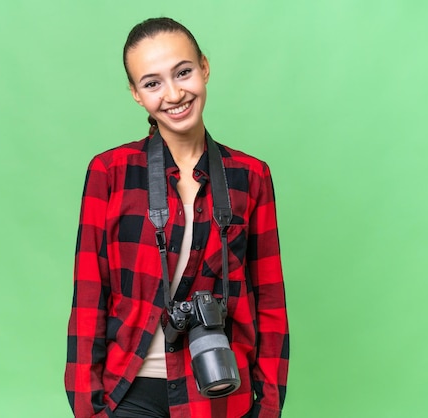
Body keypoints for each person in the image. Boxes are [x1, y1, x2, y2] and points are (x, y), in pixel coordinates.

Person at [65, 17, 289, 418]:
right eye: (152, 83)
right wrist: (89, 408)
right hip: (127, 392)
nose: (173, 93)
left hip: (219, 393)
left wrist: (268, 407)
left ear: (204, 66)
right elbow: (88, 298)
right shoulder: (110, 172)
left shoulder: (251, 176)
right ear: (136, 94)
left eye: (183, 72)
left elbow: (270, 303)